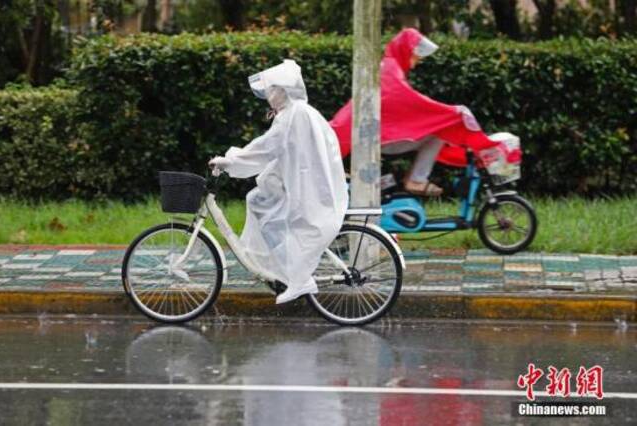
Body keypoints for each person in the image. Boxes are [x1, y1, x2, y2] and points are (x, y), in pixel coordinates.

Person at [209, 60, 348, 304]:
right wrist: (235, 160)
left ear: (284, 90)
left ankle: (298, 277)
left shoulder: (294, 115)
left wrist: (230, 161)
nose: (268, 96)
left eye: (272, 90)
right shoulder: (296, 112)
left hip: (308, 187)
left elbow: (267, 147)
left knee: (272, 213)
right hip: (305, 181)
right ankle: (283, 271)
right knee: (257, 200)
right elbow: (274, 149)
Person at [330, 28, 498, 197]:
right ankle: (416, 179)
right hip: (376, 137)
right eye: (416, 54)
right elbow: (408, 99)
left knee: (438, 128)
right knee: (440, 130)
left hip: (370, 134)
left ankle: (414, 178)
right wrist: (449, 112)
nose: (418, 59)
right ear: (406, 50)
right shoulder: (390, 69)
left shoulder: (388, 67)